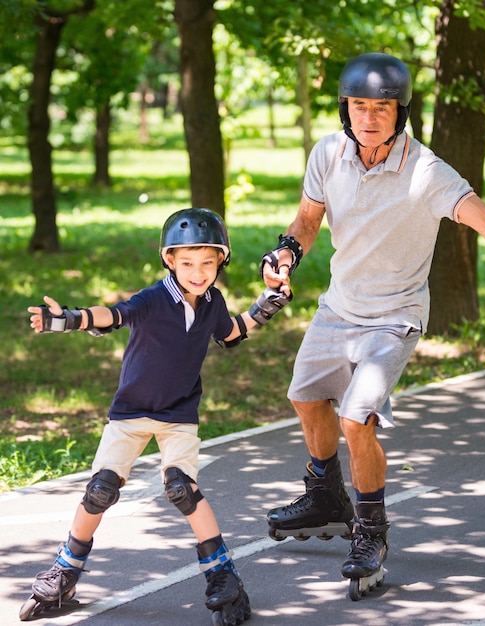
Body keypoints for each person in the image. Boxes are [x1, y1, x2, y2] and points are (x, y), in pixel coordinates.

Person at [260, 53, 485, 594]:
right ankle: (326, 495)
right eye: (359, 106)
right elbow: (308, 220)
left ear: (401, 112)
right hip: (338, 306)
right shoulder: (328, 153)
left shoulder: (426, 172)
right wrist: (285, 253)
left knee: (357, 420)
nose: (369, 118)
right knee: (306, 399)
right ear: (344, 109)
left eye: (382, 108)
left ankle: (371, 530)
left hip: (394, 316)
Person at [20, 208, 291, 625]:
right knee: (101, 489)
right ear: (169, 260)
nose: (198, 272)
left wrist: (264, 306)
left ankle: (223, 575)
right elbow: (115, 314)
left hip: (179, 414)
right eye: (187, 263)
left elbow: (231, 333)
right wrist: (72, 319)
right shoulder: (154, 298)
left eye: (207, 262)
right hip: (130, 412)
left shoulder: (212, 302)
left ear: (221, 261)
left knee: (183, 488)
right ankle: (65, 569)